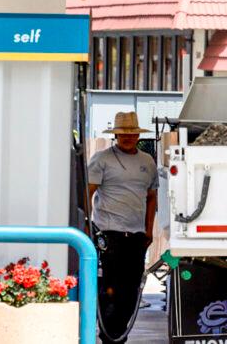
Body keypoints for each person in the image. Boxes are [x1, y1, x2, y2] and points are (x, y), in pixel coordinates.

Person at [88, 111, 158, 344]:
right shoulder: (102, 159)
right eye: (122, 134)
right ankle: (110, 336)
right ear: (115, 135)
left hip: (136, 235)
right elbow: (87, 193)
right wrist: (89, 228)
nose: (127, 137)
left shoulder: (147, 161)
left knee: (131, 289)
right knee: (110, 288)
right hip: (108, 233)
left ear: (138, 134)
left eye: (131, 133)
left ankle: (117, 334)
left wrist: (149, 231)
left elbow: (151, 197)